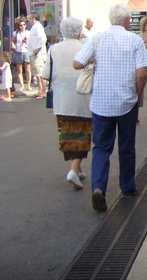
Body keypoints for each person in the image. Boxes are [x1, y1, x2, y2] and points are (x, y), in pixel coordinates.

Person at [73, 4, 147, 212]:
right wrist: (138, 95)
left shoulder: (97, 38)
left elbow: (77, 64)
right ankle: (127, 188)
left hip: (100, 102)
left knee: (101, 148)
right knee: (126, 147)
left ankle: (98, 188)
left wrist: (94, 59)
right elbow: (142, 73)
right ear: (127, 21)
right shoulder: (134, 39)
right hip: (126, 101)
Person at [43, 17, 93, 190]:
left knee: (67, 134)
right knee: (82, 133)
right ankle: (74, 170)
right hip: (82, 96)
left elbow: (45, 74)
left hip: (61, 98)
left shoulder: (54, 49)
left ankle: (77, 169)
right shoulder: (85, 47)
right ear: (80, 31)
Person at [27, 13, 48, 99]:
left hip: (38, 53)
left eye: (30, 18)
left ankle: (43, 91)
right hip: (33, 53)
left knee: (40, 73)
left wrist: (38, 49)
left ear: (33, 18)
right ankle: (40, 90)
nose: (29, 20)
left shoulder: (38, 27)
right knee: (36, 73)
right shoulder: (34, 27)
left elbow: (43, 38)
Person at [11, 16, 32, 91]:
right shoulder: (16, 33)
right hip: (19, 51)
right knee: (19, 70)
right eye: (21, 25)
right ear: (18, 26)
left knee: (28, 69)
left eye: (24, 24)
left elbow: (32, 42)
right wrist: (13, 45)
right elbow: (12, 41)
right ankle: (21, 85)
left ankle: (29, 85)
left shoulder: (29, 33)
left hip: (26, 52)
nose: (22, 26)